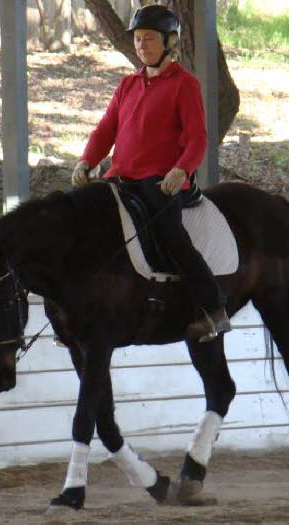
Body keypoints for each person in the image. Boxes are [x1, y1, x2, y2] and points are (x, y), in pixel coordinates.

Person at [71, 5, 230, 342]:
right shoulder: (128, 84)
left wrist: (181, 171)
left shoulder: (185, 85)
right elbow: (105, 129)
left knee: (171, 234)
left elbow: (198, 138)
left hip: (158, 181)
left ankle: (214, 308)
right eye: (138, 39)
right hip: (118, 176)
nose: (142, 45)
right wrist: (87, 160)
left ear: (170, 42)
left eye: (149, 39)